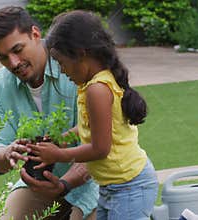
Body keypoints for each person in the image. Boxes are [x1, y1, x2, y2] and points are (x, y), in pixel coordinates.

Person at [26, 10, 159, 220]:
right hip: (113, 187)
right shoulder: (92, 84)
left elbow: (101, 148)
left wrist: (58, 155)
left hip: (130, 187)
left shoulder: (97, 89)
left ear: (80, 54)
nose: (61, 70)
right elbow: (91, 127)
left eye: (61, 62)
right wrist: (62, 140)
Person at [0, 6, 99, 220]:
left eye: (17, 50)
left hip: (95, 181)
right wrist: (6, 152)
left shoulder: (73, 64)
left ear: (35, 34)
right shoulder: (1, 84)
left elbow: (101, 141)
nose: (13, 63)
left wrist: (65, 184)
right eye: (3, 58)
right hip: (39, 184)